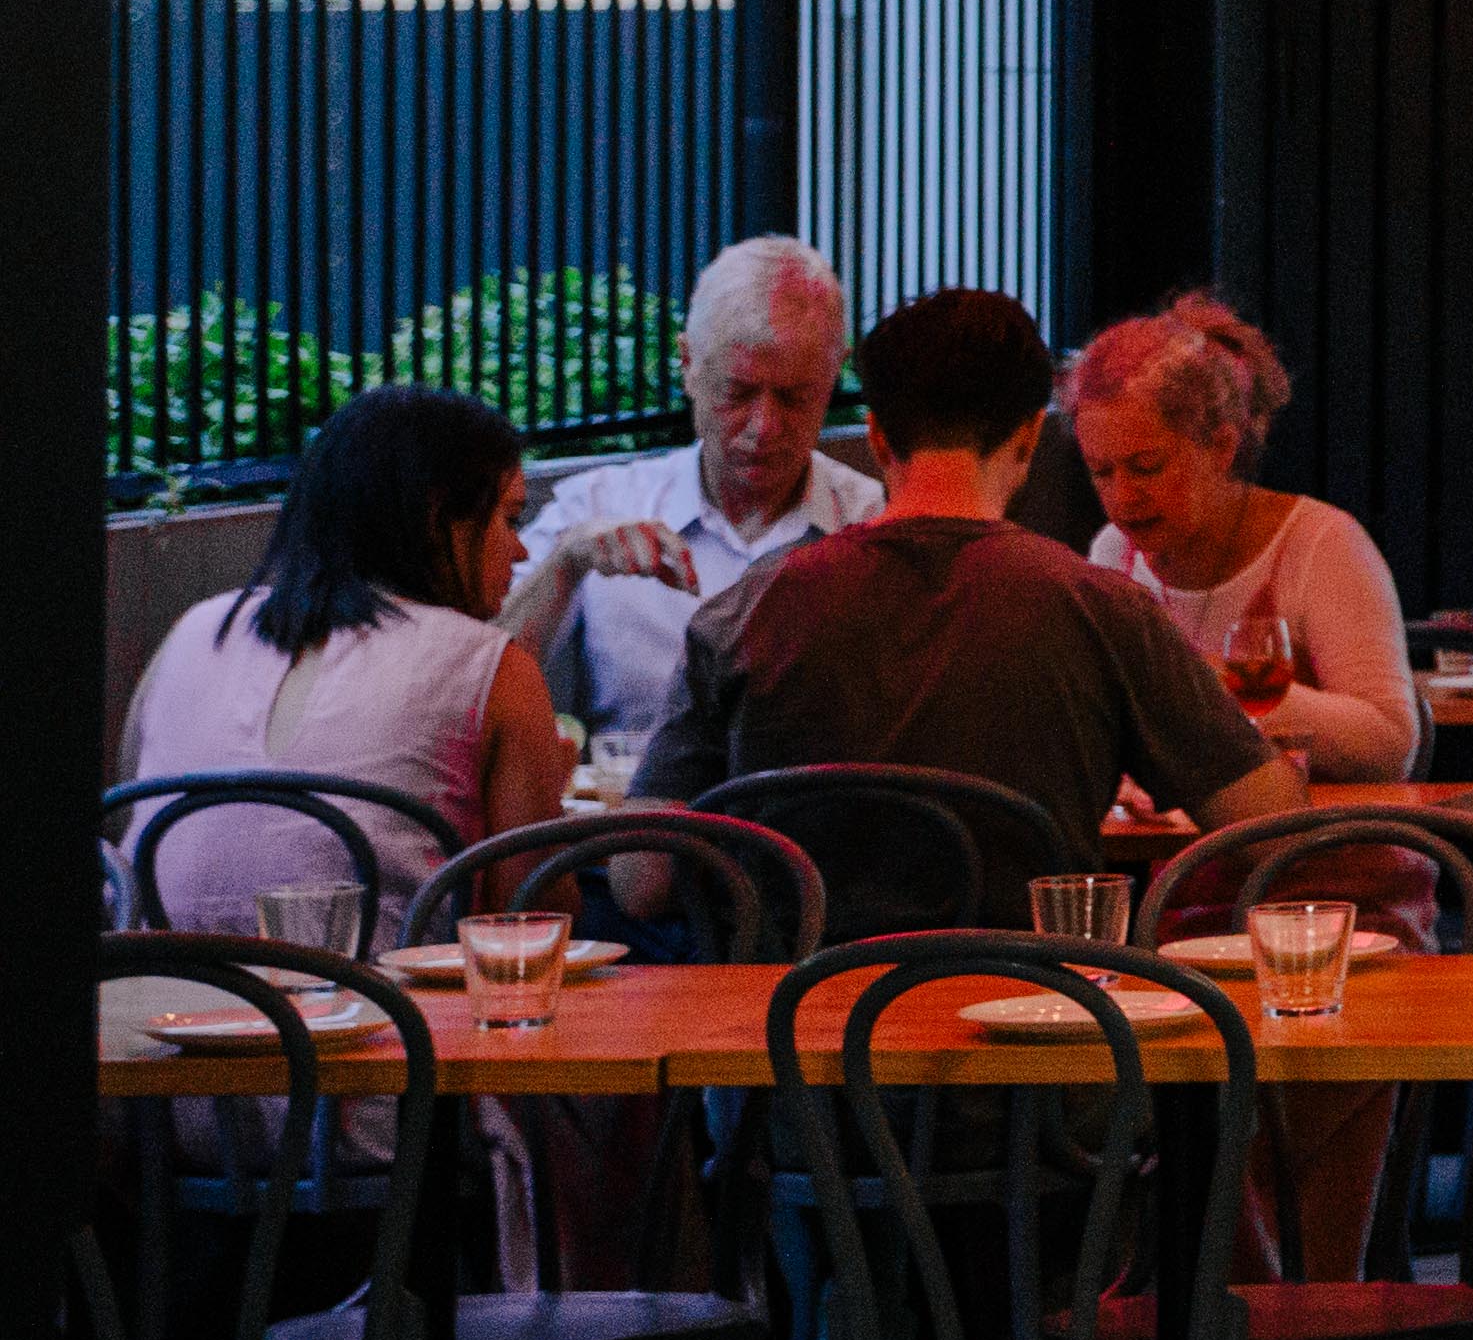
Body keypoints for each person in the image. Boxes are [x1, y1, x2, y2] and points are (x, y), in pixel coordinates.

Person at [640, 289, 1297, 927]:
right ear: (1031, 434)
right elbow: (1271, 831)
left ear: (875, 435)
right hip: (1034, 1012)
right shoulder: (1102, 609)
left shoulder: (747, 610)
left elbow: (642, 880)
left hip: (788, 1021)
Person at [129, 386, 577, 927]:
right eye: (509, 518)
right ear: (441, 518)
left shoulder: (197, 629)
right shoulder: (490, 667)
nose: (522, 548)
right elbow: (536, 921)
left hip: (158, 991)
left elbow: (127, 824)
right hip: (378, 1004)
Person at [510, 234, 882, 778]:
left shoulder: (869, 522)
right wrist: (565, 565)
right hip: (628, 837)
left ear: (835, 374)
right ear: (688, 364)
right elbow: (470, 685)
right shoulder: (599, 507)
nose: (764, 428)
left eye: (796, 397)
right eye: (738, 392)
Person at [1069, 294, 1420, 779]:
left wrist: (1219, 685)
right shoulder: (1113, 551)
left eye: (1146, 467)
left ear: (1221, 447)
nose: (1123, 496)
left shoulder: (1321, 543)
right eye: (1101, 472)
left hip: (1312, 844)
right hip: (1175, 847)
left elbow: (1389, 745)